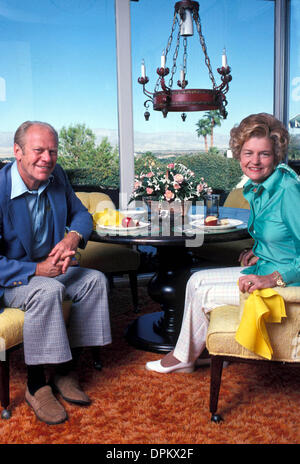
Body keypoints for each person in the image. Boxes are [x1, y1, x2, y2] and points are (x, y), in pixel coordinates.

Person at [146, 112, 300, 374]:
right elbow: (281, 236)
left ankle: (182, 358)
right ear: (239, 154)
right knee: (196, 280)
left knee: (204, 293)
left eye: (264, 154)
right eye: (248, 153)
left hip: (284, 286)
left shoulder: (287, 189)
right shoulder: (259, 188)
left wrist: (274, 278)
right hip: (264, 268)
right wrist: (259, 251)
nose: (255, 161)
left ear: (275, 155)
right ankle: (193, 353)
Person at [0, 121, 112, 424]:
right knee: (48, 290)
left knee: (94, 282)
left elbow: (81, 214)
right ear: (17, 152)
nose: (47, 158)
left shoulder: (56, 175)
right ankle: (36, 385)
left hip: (51, 266)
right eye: (39, 150)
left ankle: (65, 370)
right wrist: (37, 269)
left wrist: (71, 237)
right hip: (14, 277)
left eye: (53, 151)